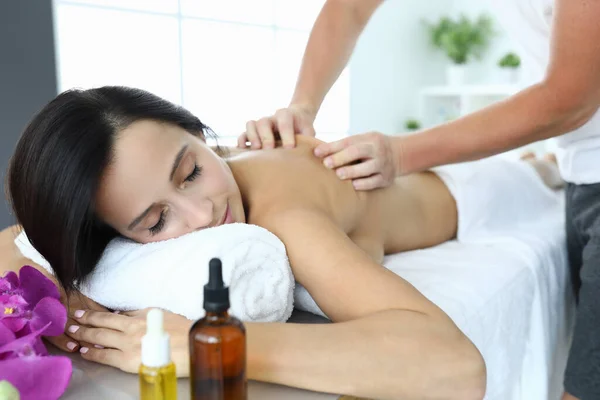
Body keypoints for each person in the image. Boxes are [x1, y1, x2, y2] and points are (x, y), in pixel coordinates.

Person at [0, 86, 562, 398]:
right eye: (155, 222)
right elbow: (17, 242)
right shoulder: (171, 199)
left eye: (191, 170)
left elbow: (455, 367)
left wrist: (210, 344)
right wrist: (72, 299)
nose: (207, 214)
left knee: (542, 174)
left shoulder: (283, 216)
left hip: (478, 193)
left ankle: (542, 165)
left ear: (198, 133)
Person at [243, 1, 600, 399]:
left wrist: (400, 155)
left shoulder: (290, 217)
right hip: (577, 167)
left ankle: (541, 167)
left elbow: (572, 96)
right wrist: (302, 105)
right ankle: (542, 166)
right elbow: (349, 8)